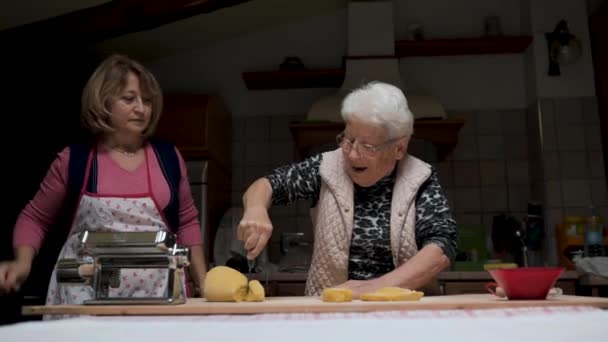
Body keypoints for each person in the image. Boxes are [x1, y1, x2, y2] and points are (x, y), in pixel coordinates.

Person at [0, 54, 207, 305]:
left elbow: (186, 222)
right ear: (104, 102)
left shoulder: (168, 158)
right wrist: (22, 263)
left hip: (159, 296)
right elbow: (35, 218)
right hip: (83, 298)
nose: (141, 108)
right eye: (129, 99)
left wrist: (203, 281)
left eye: (147, 101)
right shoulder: (75, 160)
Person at [238, 81, 457, 297]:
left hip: (403, 312)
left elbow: (441, 246)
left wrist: (375, 287)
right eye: (348, 140)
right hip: (332, 310)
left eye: (367, 147)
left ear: (399, 148)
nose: (352, 154)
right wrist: (256, 208)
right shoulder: (325, 168)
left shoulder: (420, 176)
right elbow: (267, 184)